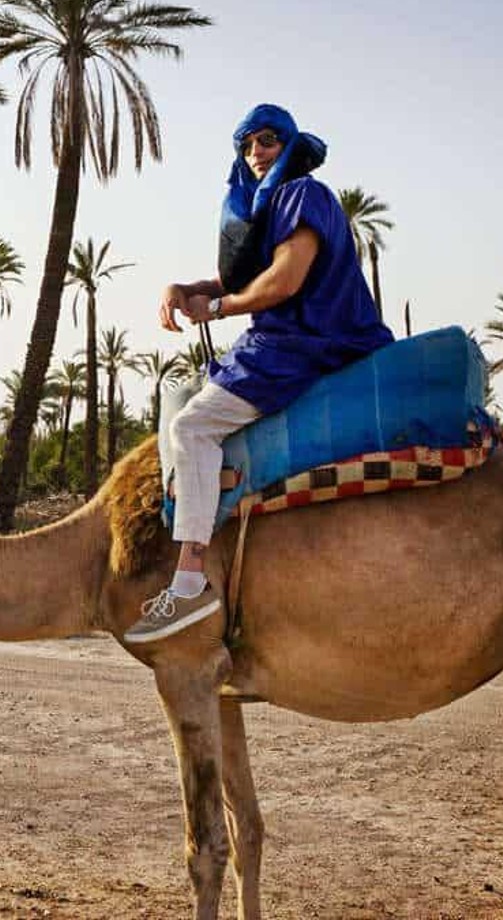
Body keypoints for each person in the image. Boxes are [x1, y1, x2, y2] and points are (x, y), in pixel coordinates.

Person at [124, 104, 394, 644]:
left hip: (305, 342)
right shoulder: (266, 209)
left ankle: (190, 580)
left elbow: (283, 282)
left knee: (192, 428)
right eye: (246, 145)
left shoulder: (303, 196)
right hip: (280, 341)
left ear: (290, 145)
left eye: (267, 141)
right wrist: (184, 290)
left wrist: (218, 310)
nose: (255, 154)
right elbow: (235, 281)